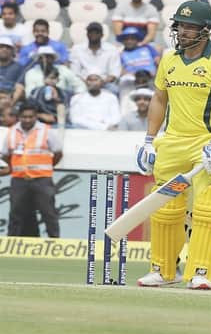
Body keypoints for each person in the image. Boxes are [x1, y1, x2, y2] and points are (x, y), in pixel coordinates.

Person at [135, 0, 211, 289]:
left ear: (206, 31)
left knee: (209, 209)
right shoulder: (169, 59)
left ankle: (200, 272)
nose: (182, 32)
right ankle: (163, 270)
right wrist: (149, 140)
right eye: (180, 25)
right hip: (172, 141)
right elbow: (159, 99)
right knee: (165, 208)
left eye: (190, 27)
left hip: (209, 143)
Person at [2, 100, 62, 237]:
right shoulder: (12, 132)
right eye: (24, 117)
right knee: (16, 213)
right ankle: (12, 242)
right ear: (19, 116)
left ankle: (55, 242)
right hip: (19, 179)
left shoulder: (46, 131)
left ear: (36, 116)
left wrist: (48, 166)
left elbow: (58, 153)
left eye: (31, 117)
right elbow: (5, 155)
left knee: (48, 212)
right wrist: (14, 167)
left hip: (42, 179)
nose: (27, 120)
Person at [70, 22, 121, 90]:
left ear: (102, 35)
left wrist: (103, 82)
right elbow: (75, 72)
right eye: (90, 32)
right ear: (87, 34)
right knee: (77, 89)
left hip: (105, 82)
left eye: (97, 32)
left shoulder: (112, 49)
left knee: (114, 89)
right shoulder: (77, 49)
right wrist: (86, 82)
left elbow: (114, 73)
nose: (93, 34)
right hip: (83, 83)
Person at [0, 36, 24, 105]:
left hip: (10, 101)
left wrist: (10, 104)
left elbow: (20, 88)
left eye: (8, 47)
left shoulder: (19, 67)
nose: (4, 49)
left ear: (13, 51)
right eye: (1, 47)